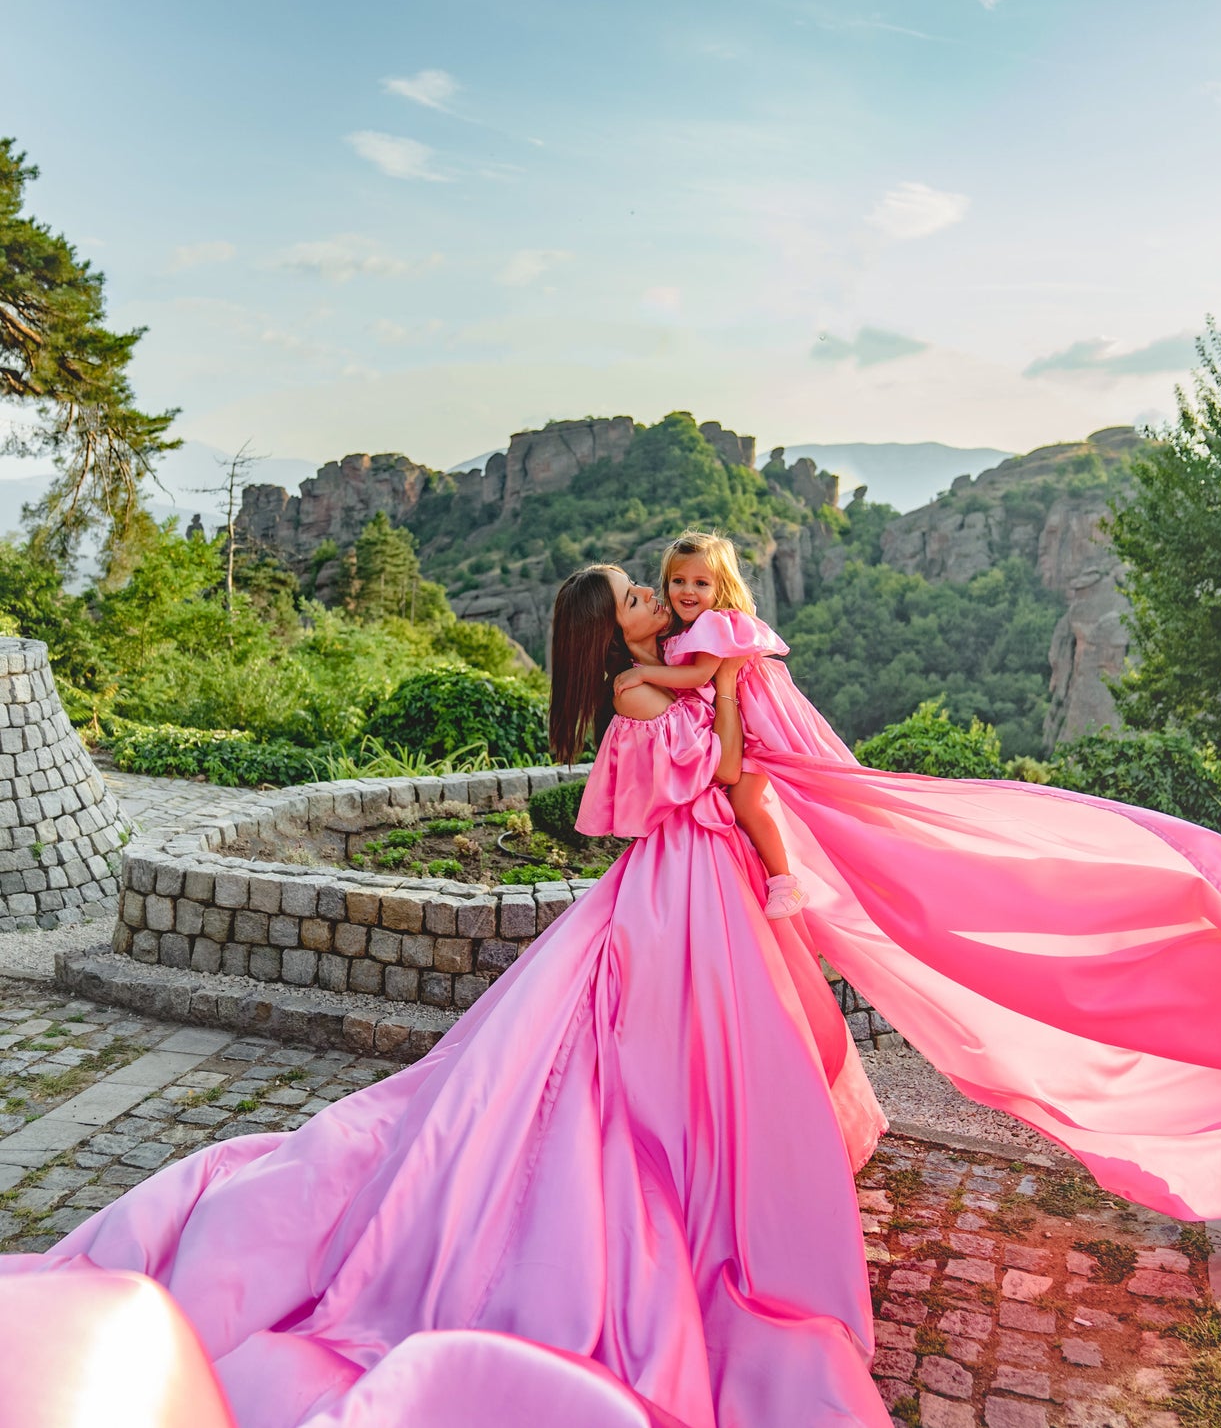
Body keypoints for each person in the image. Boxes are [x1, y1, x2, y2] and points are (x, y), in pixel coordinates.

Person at [0, 561, 894, 1428]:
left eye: (647, 584)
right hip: (674, 883)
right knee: (634, 1050)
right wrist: (729, 690)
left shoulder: (672, 665)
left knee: (705, 1032)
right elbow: (719, 773)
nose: (653, 595)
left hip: (697, 877)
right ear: (609, 633)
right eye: (632, 594)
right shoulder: (637, 692)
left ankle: (724, 1158)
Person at [613, 530, 852, 919]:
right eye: (678, 581)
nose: (687, 591)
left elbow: (698, 676)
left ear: (721, 587)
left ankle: (785, 882)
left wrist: (644, 676)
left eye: (701, 583)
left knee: (744, 801)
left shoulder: (714, 625)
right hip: (737, 724)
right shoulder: (683, 630)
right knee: (739, 801)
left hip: (755, 726)